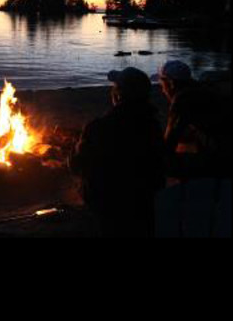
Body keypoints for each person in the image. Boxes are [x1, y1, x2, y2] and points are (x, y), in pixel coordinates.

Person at [68, 67, 165, 237]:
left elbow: (77, 166)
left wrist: (73, 152)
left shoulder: (99, 127)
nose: (111, 92)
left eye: (114, 88)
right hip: (145, 199)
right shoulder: (153, 126)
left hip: (110, 203)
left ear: (118, 95)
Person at [157, 60, 231, 184]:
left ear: (170, 83)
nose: (162, 90)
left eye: (162, 84)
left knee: (161, 161)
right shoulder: (202, 90)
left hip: (222, 158)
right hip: (223, 147)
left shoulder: (182, 99)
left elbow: (169, 143)